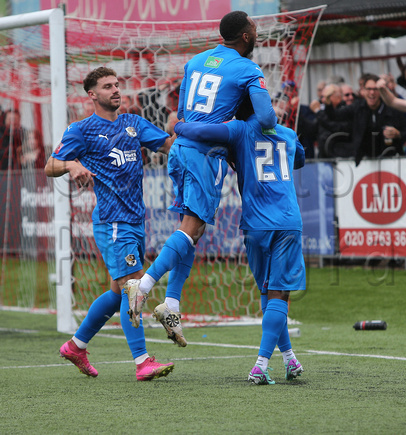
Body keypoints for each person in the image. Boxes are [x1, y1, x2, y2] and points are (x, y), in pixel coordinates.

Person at [122, 10, 277, 347]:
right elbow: (266, 118)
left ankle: (172, 304)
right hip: (203, 156)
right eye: (254, 27)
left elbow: (182, 112)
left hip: (179, 150)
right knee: (191, 228)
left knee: (192, 229)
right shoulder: (248, 68)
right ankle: (144, 286)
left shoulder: (195, 61)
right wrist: (238, 124)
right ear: (246, 36)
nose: (257, 30)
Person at [45, 67, 175, 381]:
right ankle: (143, 362)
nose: (116, 90)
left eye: (117, 85)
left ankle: (76, 346)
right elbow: (51, 166)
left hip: (135, 220)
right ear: (92, 95)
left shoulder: (134, 123)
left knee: (120, 292)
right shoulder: (82, 129)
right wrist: (73, 163)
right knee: (134, 286)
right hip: (112, 221)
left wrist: (185, 129)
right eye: (107, 86)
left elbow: (169, 145)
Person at [174, 97, 306, 385]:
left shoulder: (238, 131)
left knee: (268, 292)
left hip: (255, 225)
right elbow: (300, 159)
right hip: (286, 221)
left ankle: (289, 358)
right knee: (280, 294)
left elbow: (203, 134)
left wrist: (179, 125)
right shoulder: (289, 134)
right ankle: (260, 365)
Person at [322, 74, 406, 162]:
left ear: (381, 91)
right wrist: (328, 102)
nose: (372, 93)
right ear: (363, 91)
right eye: (369, 89)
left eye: (375, 89)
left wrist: (398, 134)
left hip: (390, 161)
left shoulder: (391, 108)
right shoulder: (357, 107)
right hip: (363, 163)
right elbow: (334, 116)